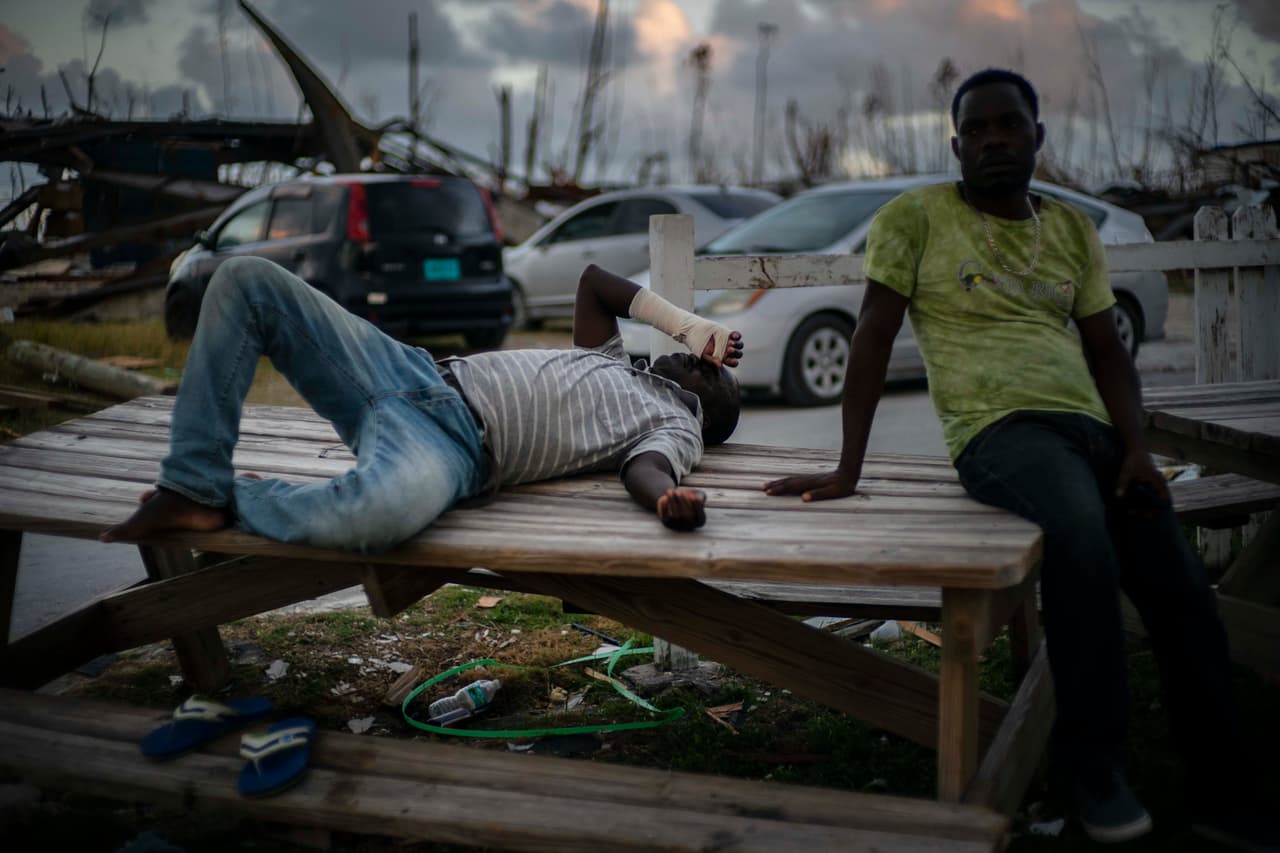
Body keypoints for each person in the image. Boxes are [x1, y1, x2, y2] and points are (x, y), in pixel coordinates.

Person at [764, 69, 1273, 849]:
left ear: (1038, 137)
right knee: (1081, 542)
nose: (995, 139)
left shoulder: (1071, 230)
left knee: (1182, 590)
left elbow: (1109, 355)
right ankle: (1092, 771)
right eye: (979, 129)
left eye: (1011, 125)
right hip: (998, 431)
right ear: (957, 144)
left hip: (1094, 431)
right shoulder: (916, 218)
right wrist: (847, 468)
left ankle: (1224, 791)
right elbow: (870, 337)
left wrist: (1137, 450)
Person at [102, 256, 742, 551]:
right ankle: (191, 483)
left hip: (453, 447)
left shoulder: (673, 419)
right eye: (703, 355)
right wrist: (690, 326)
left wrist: (666, 500)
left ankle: (223, 504)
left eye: (713, 374)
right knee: (246, 281)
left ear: (708, 411)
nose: (702, 362)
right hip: (407, 369)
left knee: (376, 519)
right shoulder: (609, 359)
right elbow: (594, 283)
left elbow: (647, 468)